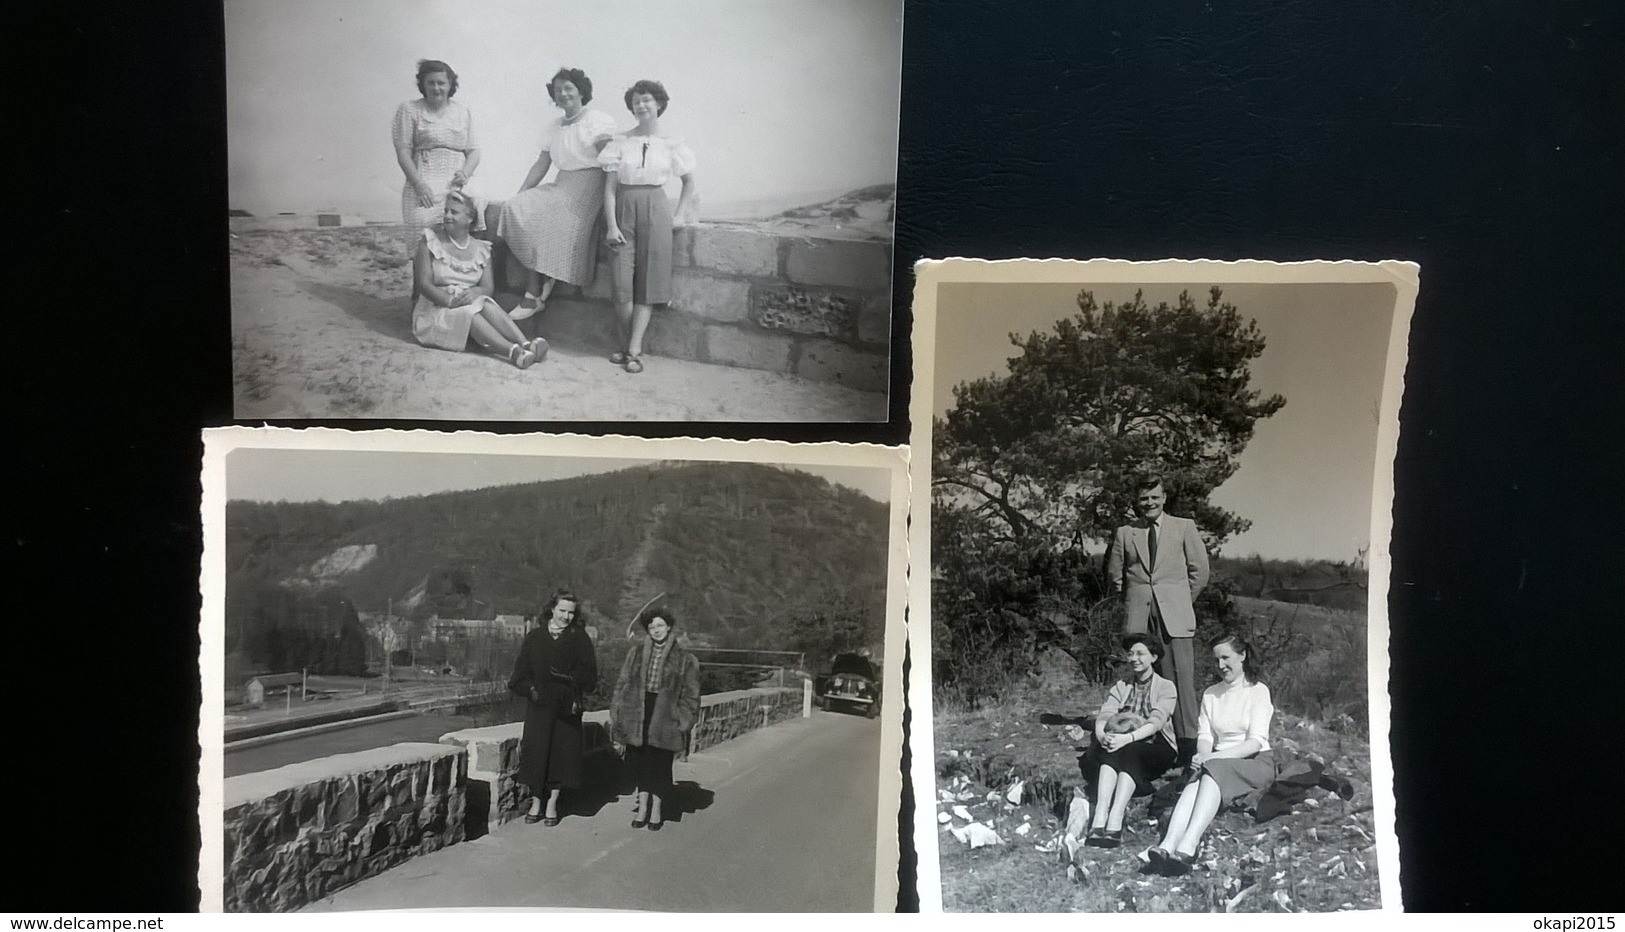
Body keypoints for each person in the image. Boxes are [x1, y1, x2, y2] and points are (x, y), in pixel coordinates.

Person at [493, 68, 619, 320]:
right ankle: (540, 283)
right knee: (515, 208)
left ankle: (534, 292)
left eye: (568, 88)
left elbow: (610, 163)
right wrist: (520, 194)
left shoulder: (596, 120)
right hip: (562, 183)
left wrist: (612, 202)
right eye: (558, 90)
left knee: (546, 220)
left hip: (590, 184)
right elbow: (542, 163)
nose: (563, 94)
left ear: (581, 91)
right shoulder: (554, 127)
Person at [1145, 634, 1275, 875]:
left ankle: (1189, 844)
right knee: (1196, 778)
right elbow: (1205, 735)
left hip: (1255, 762)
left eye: (1226, 658)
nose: (1220, 666)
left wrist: (1213, 758)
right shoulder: (1211, 694)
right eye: (1217, 660)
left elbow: (1255, 743)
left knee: (1210, 769)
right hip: (1219, 762)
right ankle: (1168, 844)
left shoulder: (1258, 691)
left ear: (1243, 656)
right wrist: (1203, 753)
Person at [1105, 474, 1210, 766]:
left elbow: (1200, 573)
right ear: (1136, 503)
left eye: (1154, 497)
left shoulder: (1183, 527)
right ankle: (1145, 741)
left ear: (1164, 498)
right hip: (1139, 618)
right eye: (1143, 499)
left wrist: (1178, 602)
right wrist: (1134, 602)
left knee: (1180, 681)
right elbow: (1116, 577)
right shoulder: (1126, 533)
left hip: (1174, 617)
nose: (1149, 503)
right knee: (1144, 679)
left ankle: (1188, 745)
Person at [600, 80, 698, 374]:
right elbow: (609, 189)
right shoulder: (619, 141)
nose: (641, 105)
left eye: (647, 100)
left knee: (649, 282)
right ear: (631, 107)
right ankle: (625, 342)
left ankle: (632, 349)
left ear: (659, 105)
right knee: (621, 284)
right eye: (636, 101)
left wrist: (679, 215)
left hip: (657, 208)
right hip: (624, 208)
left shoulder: (671, 143)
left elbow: (689, 181)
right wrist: (611, 225)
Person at [412, 190, 548, 368]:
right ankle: (513, 352)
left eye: (454, 212)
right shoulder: (430, 241)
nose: (447, 216)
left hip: (467, 303)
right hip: (435, 310)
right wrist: (450, 301)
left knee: (485, 303)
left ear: (469, 218)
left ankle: (525, 344)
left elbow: (487, 287)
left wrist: (476, 292)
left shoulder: (481, 249)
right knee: (470, 312)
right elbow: (424, 284)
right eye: (446, 211)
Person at [1069, 634, 1179, 848]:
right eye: (1130, 654)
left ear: (1154, 657)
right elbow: (1106, 713)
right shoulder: (1122, 686)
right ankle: (1100, 817)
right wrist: (1102, 735)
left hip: (1157, 746)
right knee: (1111, 748)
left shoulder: (1166, 687)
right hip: (1122, 741)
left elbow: (1156, 722)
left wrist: (1126, 738)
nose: (1134, 658)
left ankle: (1115, 817)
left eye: (1140, 654)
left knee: (1127, 750)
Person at [507, 590, 598, 826]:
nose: (566, 617)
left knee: (561, 757)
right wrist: (532, 691)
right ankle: (536, 801)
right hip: (539, 708)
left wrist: (570, 680)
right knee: (537, 757)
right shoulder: (535, 638)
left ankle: (552, 804)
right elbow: (518, 676)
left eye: (571, 612)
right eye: (562, 611)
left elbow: (590, 675)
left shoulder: (580, 639)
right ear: (551, 610)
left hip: (567, 710)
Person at [610, 606, 701, 831]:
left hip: (665, 717)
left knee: (659, 766)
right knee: (640, 763)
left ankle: (656, 810)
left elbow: (692, 694)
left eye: (660, 625)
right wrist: (618, 710)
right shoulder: (636, 654)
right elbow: (622, 684)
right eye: (651, 626)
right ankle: (642, 809)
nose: (656, 630)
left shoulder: (684, 659)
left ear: (669, 627)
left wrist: (683, 720)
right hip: (638, 712)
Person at [393, 59, 482, 251]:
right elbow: (403, 152)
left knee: (477, 214)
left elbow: (474, 150)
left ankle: (464, 274)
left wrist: (465, 173)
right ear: (422, 84)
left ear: (450, 85)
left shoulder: (462, 111)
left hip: (458, 181)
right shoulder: (409, 109)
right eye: (431, 82)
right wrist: (419, 185)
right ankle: (424, 277)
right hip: (424, 181)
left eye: (441, 83)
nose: (436, 88)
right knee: (422, 222)